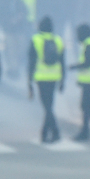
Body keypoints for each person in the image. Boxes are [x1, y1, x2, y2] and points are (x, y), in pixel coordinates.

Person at [28, 16, 65, 144]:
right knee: (49, 105)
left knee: (47, 107)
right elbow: (63, 62)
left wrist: (29, 82)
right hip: (55, 77)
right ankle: (49, 133)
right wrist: (63, 81)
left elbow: (31, 63)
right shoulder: (59, 40)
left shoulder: (36, 40)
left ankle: (53, 132)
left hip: (41, 77)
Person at [70, 24, 90, 141]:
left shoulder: (89, 44)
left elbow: (88, 63)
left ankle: (85, 132)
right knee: (89, 106)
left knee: (85, 106)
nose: (77, 36)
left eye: (78, 34)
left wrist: (73, 67)